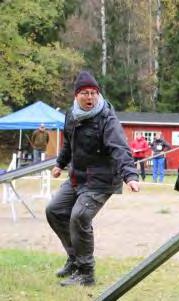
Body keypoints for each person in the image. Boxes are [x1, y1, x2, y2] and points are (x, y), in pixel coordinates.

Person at [46, 70, 140, 287]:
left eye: (93, 93)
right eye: (85, 93)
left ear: (98, 94)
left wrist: (130, 174)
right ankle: (74, 259)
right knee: (54, 211)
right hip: (78, 177)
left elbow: (120, 147)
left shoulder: (107, 118)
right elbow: (69, 143)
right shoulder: (72, 115)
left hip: (102, 180)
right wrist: (60, 163)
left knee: (79, 216)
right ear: (76, 95)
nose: (90, 98)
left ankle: (86, 274)